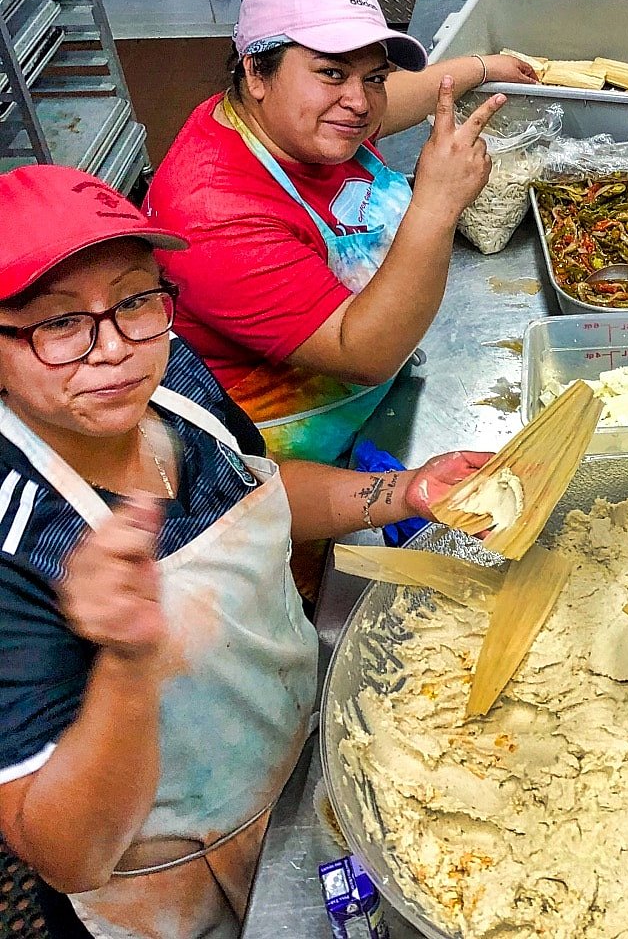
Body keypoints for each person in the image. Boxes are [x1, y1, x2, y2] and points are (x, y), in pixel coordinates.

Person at [0, 166, 492, 939]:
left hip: (306, 757)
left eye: (133, 298)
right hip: (182, 881)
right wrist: (127, 661)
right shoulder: (18, 544)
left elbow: (257, 489)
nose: (114, 350)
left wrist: (402, 494)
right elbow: (66, 855)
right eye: (58, 324)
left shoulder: (172, 378)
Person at [144, 0, 538, 467]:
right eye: (331, 72)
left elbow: (390, 100)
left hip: (379, 387)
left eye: (372, 76)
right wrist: (437, 204)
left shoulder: (295, 122)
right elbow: (364, 355)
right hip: (296, 452)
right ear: (256, 72)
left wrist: (483, 69)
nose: (358, 102)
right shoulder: (214, 214)